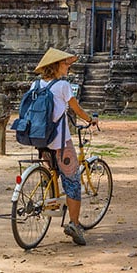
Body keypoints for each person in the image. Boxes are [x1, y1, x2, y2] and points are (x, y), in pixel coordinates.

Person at [31, 47, 97, 245]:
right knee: (73, 181)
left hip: (40, 139)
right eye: (66, 63)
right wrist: (91, 119)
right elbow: (76, 109)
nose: (69, 66)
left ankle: (49, 199)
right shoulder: (63, 86)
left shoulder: (35, 85)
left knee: (53, 174)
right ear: (57, 65)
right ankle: (74, 225)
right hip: (60, 141)